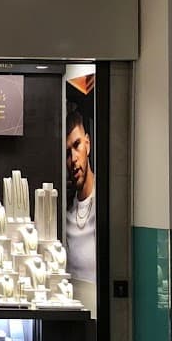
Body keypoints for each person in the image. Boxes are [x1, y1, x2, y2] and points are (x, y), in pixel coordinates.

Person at [64, 108, 96, 283]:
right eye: (67, 153)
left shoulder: (104, 206)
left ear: (88, 144)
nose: (74, 158)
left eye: (77, 145)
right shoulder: (67, 212)